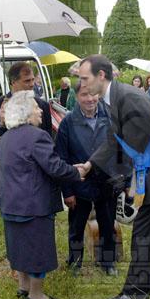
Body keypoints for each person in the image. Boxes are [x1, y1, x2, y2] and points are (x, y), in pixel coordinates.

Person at [76, 55, 150, 299]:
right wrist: (89, 165)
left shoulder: (129, 97)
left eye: (85, 78)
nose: (82, 83)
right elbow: (114, 139)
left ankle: (135, 292)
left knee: (145, 233)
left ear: (101, 76)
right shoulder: (112, 99)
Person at [0, 91, 84, 299]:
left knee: (18, 248)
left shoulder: (5, 138)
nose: (41, 111)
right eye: (36, 107)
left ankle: (23, 287)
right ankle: (36, 296)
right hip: (34, 207)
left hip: (11, 204)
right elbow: (54, 167)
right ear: (26, 112)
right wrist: (76, 172)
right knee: (37, 251)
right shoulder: (37, 136)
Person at [55, 83, 117, 275]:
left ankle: (108, 263)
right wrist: (67, 192)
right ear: (76, 96)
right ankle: (75, 262)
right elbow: (61, 158)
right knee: (76, 227)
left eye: (93, 94)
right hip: (79, 185)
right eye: (84, 95)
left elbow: (118, 150)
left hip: (106, 183)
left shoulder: (110, 117)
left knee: (108, 224)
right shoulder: (67, 122)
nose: (90, 99)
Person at [0, 62, 52, 193]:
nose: (32, 84)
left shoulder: (42, 106)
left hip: (36, 179)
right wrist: (0, 124)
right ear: (13, 82)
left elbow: (49, 145)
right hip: (7, 180)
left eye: (32, 80)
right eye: (27, 81)